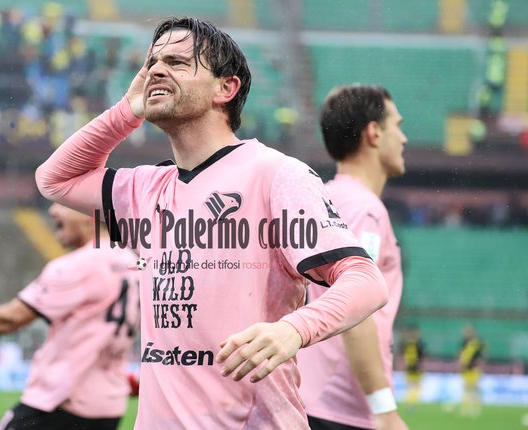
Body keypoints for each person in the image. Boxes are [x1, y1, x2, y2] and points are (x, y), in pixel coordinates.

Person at [35, 17, 388, 429]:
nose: (156, 71)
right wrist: (127, 111)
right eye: (151, 63)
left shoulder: (275, 174)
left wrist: (293, 330)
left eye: (177, 62)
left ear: (226, 88)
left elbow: (365, 280)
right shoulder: (146, 187)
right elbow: (55, 179)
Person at [0, 203, 140, 430]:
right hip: (108, 408)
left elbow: (8, 319)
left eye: (62, 204)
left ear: (88, 213)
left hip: (60, 403)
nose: (53, 210)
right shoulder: (134, 264)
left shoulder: (77, 265)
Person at [297, 84, 408, 430]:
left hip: (311, 398)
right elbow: (357, 307)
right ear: (374, 133)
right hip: (339, 410)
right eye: (397, 126)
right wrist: (384, 408)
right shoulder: (365, 210)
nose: (403, 138)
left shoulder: (323, 199)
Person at [458, 324, 485, 417]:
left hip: (475, 369)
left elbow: (481, 356)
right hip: (466, 369)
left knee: (474, 389)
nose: (467, 333)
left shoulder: (478, 343)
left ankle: (475, 408)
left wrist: (480, 367)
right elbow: (461, 356)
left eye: (469, 331)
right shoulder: (463, 343)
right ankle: (465, 408)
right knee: (466, 389)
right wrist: (461, 366)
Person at [401, 325, 425, 409]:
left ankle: (409, 403)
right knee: (416, 386)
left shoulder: (406, 343)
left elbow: (404, 356)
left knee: (410, 387)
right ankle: (412, 403)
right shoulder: (419, 343)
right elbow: (421, 357)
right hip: (416, 369)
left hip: (409, 368)